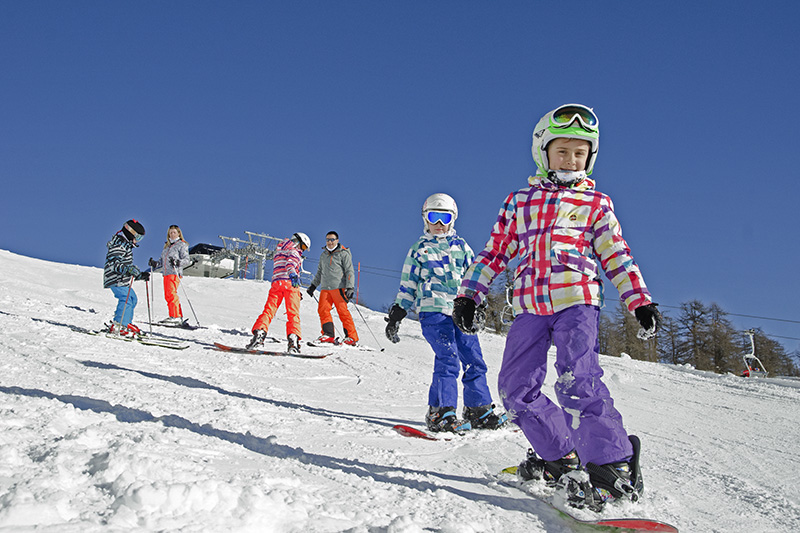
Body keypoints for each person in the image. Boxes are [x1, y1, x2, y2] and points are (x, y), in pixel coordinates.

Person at [453, 104, 662, 510]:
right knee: (514, 389)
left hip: (577, 302)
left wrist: (640, 301)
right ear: (543, 152)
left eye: (579, 153)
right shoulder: (520, 202)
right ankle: (560, 455)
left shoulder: (596, 203)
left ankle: (614, 465)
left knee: (577, 381)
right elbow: (494, 253)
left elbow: (617, 255)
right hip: (530, 307)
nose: (570, 160)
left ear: (590, 157)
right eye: (562, 151)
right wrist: (469, 294)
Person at [384, 193, 508, 433]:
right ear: (425, 219)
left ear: (453, 220)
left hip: (460, 312)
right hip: (433, 312)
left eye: (445, 218)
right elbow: (408, 284)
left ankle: (478, 409)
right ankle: (440, 412)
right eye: (434, 217)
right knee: (448, 358)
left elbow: (473, 280)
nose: (439, 224)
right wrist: (398, 313)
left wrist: (479, 305)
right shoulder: (419, 250)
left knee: (474, 359)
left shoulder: (462, 247)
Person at [246, 232, 311, 354]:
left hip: (276, 284)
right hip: (290, 284)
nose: (302, 250)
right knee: (293, 314)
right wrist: (293, 275)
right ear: (298, 241)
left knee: (268, 311)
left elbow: (281, 265)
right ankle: (293, 342)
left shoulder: (279, 251)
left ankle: (259, 336)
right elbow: (290, 264)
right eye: (303, 247)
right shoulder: (294, 251)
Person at [306, 231, 359, 346]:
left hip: (339, 287)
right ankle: (328, 334)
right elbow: (319, 272)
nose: (330, 242)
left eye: (332, 240)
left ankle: (351, 337)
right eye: (328, 240)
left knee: (342, 311)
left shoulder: (343, 254)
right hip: (325, 288)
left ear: (337, 240)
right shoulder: (323, 255)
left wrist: (350, 287)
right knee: (322, 310)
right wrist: (313, 286)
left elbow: (349, 271)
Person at [103, 219, 150, 336]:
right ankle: (119, 324)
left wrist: (139, 275)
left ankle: (125, 322)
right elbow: (114, 264)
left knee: (132, 298)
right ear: (130, 233)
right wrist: (128, 269)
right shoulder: (119, 244)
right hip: (115, 278)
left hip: (122, 279)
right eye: (138, 237)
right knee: (126, 298)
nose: (137, 240)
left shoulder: (126, 246)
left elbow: (127, 267)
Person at [149, 225, 192, 325]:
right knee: (168, 295)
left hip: (174, 272)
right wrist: (155, 263)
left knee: (171, 294)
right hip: (166, 273)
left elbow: (187, 260)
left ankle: (176, 316)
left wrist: (177, 262)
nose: (172, 234)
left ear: (179, 233)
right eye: (170, 233)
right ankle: (174, 315)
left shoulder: (182, 245)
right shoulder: (167, 246)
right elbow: (162, 261)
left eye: (174, 232)